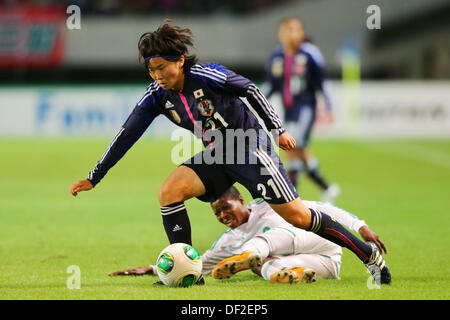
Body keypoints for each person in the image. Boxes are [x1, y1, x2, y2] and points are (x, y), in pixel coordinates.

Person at [68, 19, 390, 285]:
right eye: (151, 70)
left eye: (162, 68)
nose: (157, 76)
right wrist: (94, 176)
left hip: (249, 147)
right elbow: (127, 133)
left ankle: (369, 256)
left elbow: (250, 89)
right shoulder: (156, 95)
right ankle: (188, 273)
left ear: (180, 60)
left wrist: (278, 130)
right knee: (169, 192)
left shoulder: (207, 75)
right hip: (217, 154)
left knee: (299, 217)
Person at [109, 186, 388, 285]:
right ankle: (290, 274)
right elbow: (197, 264)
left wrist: (360, 225)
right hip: (326, 266)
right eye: (216, 214)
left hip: (322, 243)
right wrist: (158, 268)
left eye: (225, 208)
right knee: (267, 267)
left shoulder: (270, 203)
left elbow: (321, 208)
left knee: (276, 237)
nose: (222, 216)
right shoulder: (227, 242)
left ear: (241, 200)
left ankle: (254, 254)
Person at [264, 17, 339, 203]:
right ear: (280, 34)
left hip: (306, 107)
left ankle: (291, 196)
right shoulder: (276, 56)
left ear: (302, 33)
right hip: (289, 110)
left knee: (293, 146)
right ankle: (327, 188)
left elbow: (323, 82)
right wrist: (256, 102)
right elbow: (271, 85)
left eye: (295, 30)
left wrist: (329, 107)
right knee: (300, 152)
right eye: (287, 30)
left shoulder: (311, 54)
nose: (291, 34)